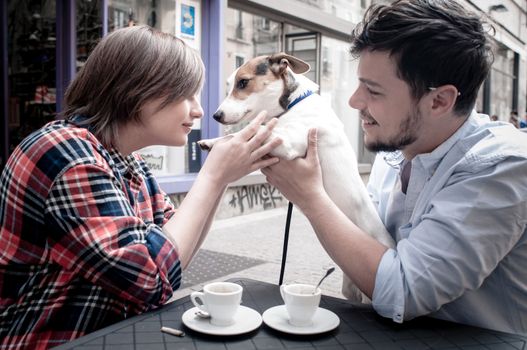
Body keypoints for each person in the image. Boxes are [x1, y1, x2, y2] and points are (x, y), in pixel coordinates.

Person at [0, 25, 281, 349]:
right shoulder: (65, 153)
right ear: (137, 90)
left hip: (108, 336)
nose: (199, 110)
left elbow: (173, 253)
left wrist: (222, 178)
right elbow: (153, 278)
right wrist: (213, 176)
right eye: (186, 94)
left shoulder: (127, 161)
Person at [263, 0, 527, 335]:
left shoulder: (501, 166)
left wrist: (311, 198)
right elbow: (363, 240)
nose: (354, 101)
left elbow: (403, 292)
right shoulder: (395, 152)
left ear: (439, 101)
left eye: (373, 90)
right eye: (359, 84)